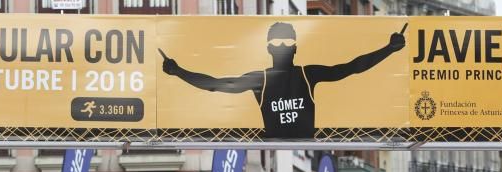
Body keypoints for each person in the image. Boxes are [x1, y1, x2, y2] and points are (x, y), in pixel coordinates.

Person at [160, 21, 406, 139]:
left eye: (286, 41)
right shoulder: (260, 80)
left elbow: (351, 67)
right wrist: (179, 71)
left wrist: (389, 49)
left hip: (308, 143)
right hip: (272, 142)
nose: (281, 46)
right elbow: (215, 84)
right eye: (276, 42)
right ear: (268, 47)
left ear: (296, 47)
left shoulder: (308, 74)